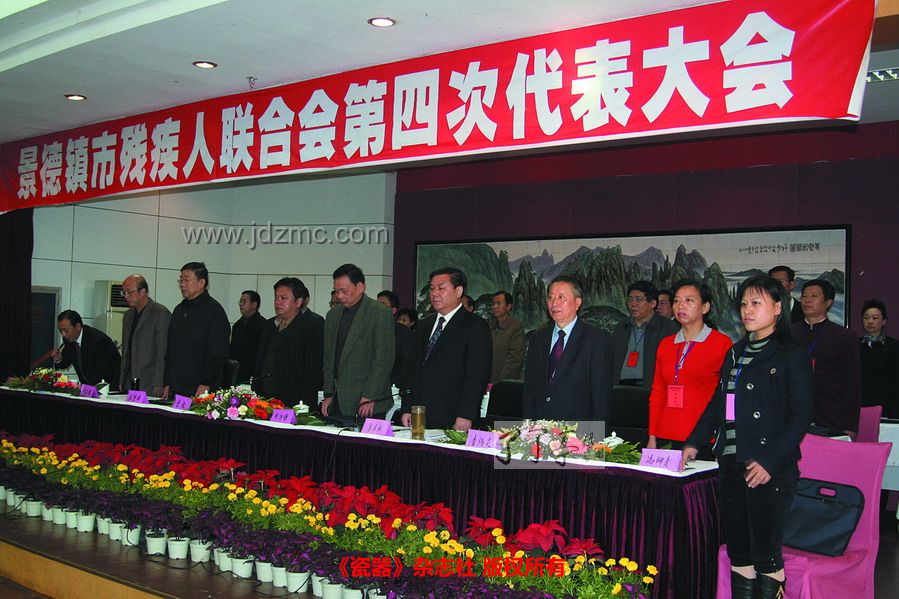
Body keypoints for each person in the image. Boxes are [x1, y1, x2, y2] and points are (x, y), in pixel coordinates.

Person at [682, 275, 813, 599]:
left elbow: (800, 416)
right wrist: (694, 442)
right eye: (743, 304)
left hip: (768, 467)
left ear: (778, 308)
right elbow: (717, 405)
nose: (747, 310)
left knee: (766, 555)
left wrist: (769, 461)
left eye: (756, 303)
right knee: (739, 553)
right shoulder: (736, 352)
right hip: (731, 462)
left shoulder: (791, 353)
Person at [400, 267, 491, 430]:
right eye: (432, 288)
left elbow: (477, 376)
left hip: (454, 415)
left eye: (441, 288)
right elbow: (412, 369)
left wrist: (466, 414)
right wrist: (407, 408)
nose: (435, 293)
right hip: (421, 413)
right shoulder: (424, 325)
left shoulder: (475, 326)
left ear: (458, 291)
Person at [647, 280, 732, 450]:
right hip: (666, 434)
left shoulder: (722, 344)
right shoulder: (666, 344)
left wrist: (728, 435)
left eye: (689, 300)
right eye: (676, 301)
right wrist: (652, 436)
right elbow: (658, 392)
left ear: (705, 307)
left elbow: (729, 395)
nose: (681, 306)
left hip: (704, 437)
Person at [522, 275, 614, 422]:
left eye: (561, 297)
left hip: (578, 429)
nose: (554, 303)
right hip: (540, 427)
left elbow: (601, 396)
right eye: (550, 297)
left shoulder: (596, 340)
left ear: (577, 303)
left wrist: (595, 432)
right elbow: (529, 389)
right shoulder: (537, 339)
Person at [322, 264, 395, 419]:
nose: (339, 296)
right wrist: (328, 393)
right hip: (338, 399)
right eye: (336, 291)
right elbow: (328, 358)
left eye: (344, 291)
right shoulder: (333, 315)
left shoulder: (380, 313)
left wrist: (370, 395)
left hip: (368, 401)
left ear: (360, 287)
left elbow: (384, 360)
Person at [791, 278, 861, 437]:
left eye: (814, 296)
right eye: (804, 296)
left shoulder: (843, 336)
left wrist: (850, 425)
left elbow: (852, 384)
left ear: (828, 302)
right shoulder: (789, 334)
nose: (807, 300)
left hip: (830, 415)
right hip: (792, 415)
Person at [253, 278, 323, 408]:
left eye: (283, 298)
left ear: (299, 301)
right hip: (265, 398)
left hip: (294, 400)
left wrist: (304, 405)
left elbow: (313, 369)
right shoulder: (269, 325)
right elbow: (260, 361)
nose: (277, 302)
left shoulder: (312, 324)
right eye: (276, 297)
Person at [163, 262, 230, 398]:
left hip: (200, 387)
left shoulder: (214, 311)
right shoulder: (179, 310)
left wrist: (207, 382)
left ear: (201, 283)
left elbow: (218, 352)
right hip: (176, 385)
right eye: (181, 280)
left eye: (187, 280)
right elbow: (171, 349)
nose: (182, 284)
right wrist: (168, 382)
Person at [612, 281, 679, 389]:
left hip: (652, 389)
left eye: (638, 299)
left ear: (652, 303)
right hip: (620, 387)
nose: (633, 304)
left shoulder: (668, 328)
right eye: (630, 299)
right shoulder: (621, 327)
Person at [119, 274, 170, 395]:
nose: (126, 296)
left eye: (129, 292)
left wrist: (159, 382)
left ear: (143, 291)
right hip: (129, 380)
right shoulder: (128, 315)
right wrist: (121, 378)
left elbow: (162, 351)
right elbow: (126, 350)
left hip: (150, 381)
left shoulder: (160, 313)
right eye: (124, 292)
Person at [52, 309, 121, 390]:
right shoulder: (69, 340)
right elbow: (66, 362)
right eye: (61, 331)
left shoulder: (98, 340)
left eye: (66, 330)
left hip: (109, 387)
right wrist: (59, 359)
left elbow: (105, 371)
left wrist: (92, 390)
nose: (63, 334)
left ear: (78, 326)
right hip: (89, 388)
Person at [859, 299, 899, 418]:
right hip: (860, 406)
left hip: (888, 407)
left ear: (884, 321)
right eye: (866, 318)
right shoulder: (853, 345)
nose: (870, 321)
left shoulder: (894, 347)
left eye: (875, 318)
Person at [229, 290, 265, 383]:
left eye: (244, 301)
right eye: (240, 301)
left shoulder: (263, 325)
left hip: (253, 373)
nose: (241, 304)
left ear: (254, 305)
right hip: (237, 371)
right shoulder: (237, 325)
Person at [489, 291, 525, 383]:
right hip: (487, 380)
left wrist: (501, 381)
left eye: (498, 303)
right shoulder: (489, 326)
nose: (495, 307)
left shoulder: (516, 328)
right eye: (493, 304)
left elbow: (515, 359)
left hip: (505, 382)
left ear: (508, 306)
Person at [377, 289, 411, 386]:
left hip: (393, 385)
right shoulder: (370, 329)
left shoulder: (403, 332)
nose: (377, 308)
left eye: (382, 305)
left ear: (393, 310)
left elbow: (406, 362)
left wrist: (396, 384)